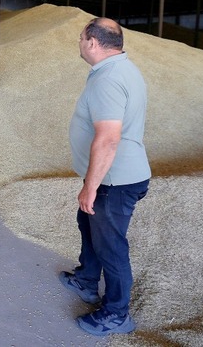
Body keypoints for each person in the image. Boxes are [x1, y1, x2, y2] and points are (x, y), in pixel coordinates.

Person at [59, 17, 151, 336]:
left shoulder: (108, 79)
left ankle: (116, 314)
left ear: (94, 43)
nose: (80, 43)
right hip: (111, 177)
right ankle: (86, 281)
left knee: (111, 246)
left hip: (115, 181)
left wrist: (91, 187)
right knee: (88, 226)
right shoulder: (121, 69)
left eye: (82, 38)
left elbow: (109, 138)